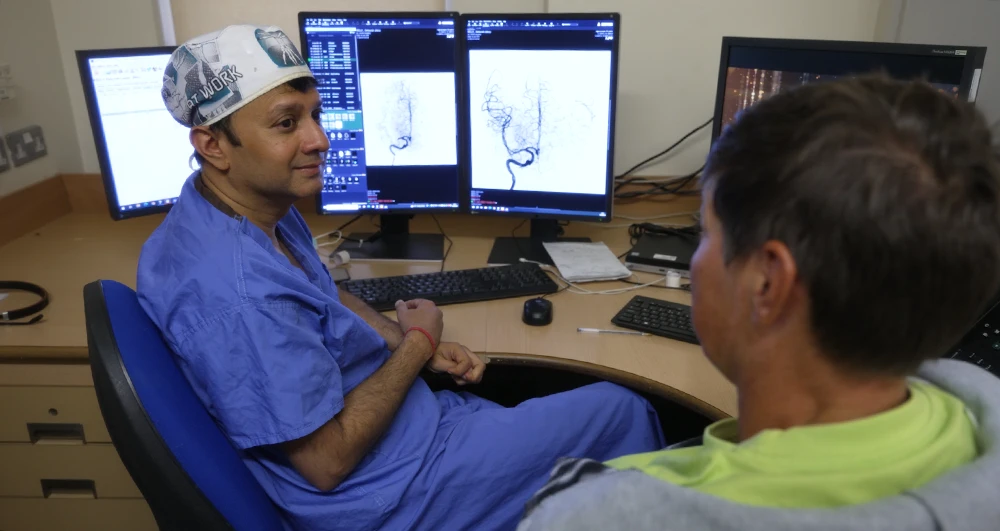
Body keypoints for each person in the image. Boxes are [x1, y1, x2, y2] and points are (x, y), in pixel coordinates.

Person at [137, 24, 665, 531]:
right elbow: (328, 461)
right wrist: (417, 342)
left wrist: (404, 341)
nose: (319, 139)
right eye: (286, 124)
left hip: (406, 435)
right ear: (213, 145)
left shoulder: (237, 209)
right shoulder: (241, 296)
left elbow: (321, 288)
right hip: (386, 495)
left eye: (315, 115)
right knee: (623, 411)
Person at [518, 75, 1000, 531]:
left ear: (767, 283)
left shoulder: (593, 516)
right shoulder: (973, 418)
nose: (695, 257)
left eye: (704, 233)